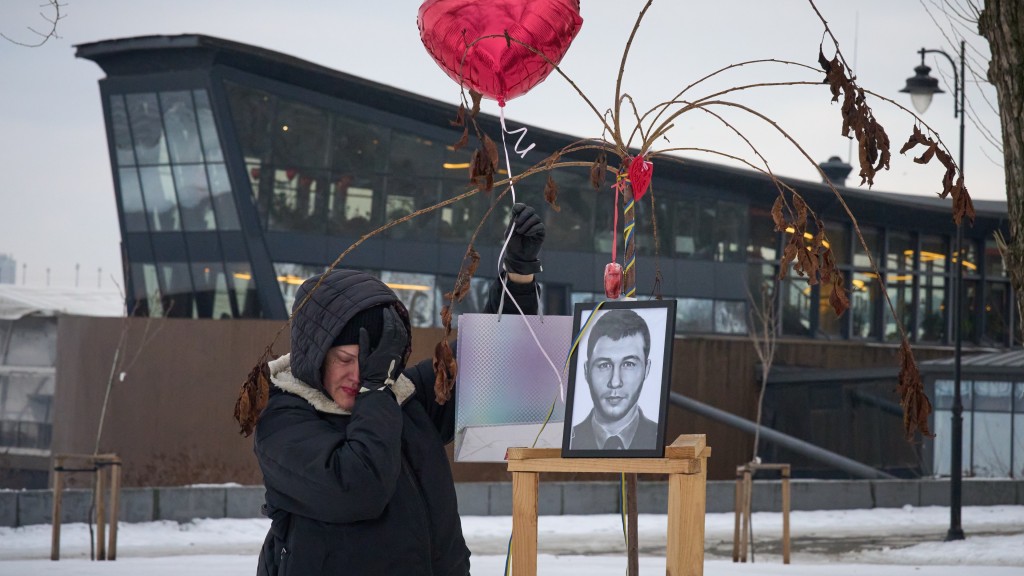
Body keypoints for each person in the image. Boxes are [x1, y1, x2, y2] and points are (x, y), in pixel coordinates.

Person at [253, 203, 545, 576]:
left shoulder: (403, 397)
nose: (358, 375)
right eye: (345, 359)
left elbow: (490, 360)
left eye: (371, 360)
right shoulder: (282, 422)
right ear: (315, 356)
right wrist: (375, 390)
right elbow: (359, 489)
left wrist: (517, 275)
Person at [569, 309, 659, 451]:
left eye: (628, 364)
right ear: (586, 371)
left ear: (646, 369)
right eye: (604, 365)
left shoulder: (663, 439)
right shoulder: (566, 440)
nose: (615, 382)